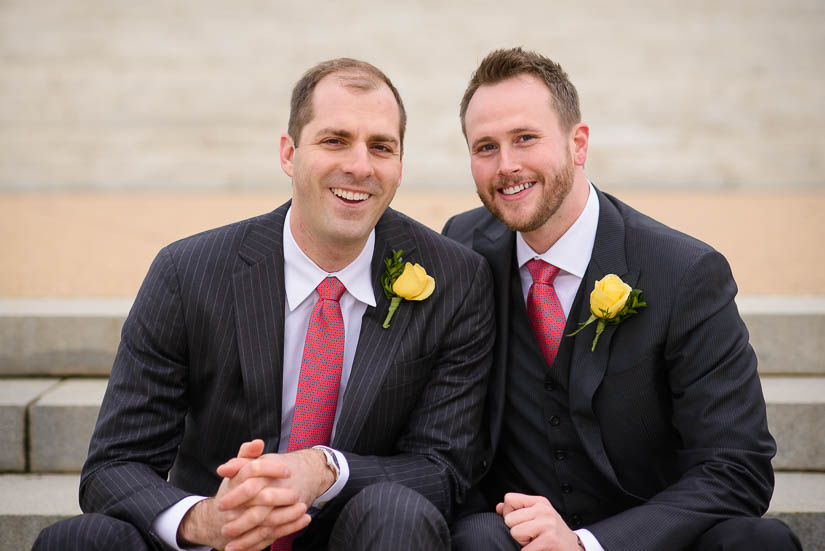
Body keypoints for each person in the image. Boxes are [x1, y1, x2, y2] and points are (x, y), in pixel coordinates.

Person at [34, 58, 494, 551]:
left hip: (361, 535)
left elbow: (442, 472)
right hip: (220, 538)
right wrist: (204, 519)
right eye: (335, 140)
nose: (360, 166)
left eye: (381, 147)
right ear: (288, 153)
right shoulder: (187, 272)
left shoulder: (455, 280)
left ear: (400, 165)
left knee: (397, 513)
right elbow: (113, 466)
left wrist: (323, 469)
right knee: (79, 539)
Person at [443, 47, 801, 551]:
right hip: (515, 536)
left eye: (525, 138)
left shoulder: (684, 272)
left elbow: (736, 465)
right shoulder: (463, 249)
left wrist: (590, 544)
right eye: (485, 147)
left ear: (578, 143)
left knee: (758, 543)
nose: (507, 165)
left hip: (655, 538)